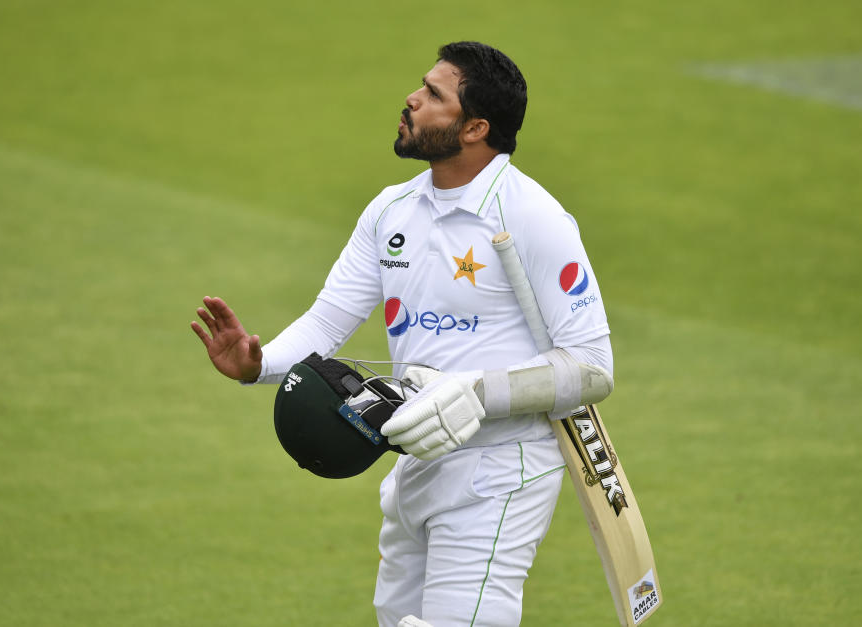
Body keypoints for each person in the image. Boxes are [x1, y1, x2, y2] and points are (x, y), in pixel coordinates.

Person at [191, 41, 612, 627]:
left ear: (475, 128)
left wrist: (472, 393)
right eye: (423, 86)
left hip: (500, 471)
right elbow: (328, 318)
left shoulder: (533, 217)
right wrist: (258, 364)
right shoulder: (392, 211)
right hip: (415, 459)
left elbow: (592, 368)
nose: (412, 99)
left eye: (434, 96)